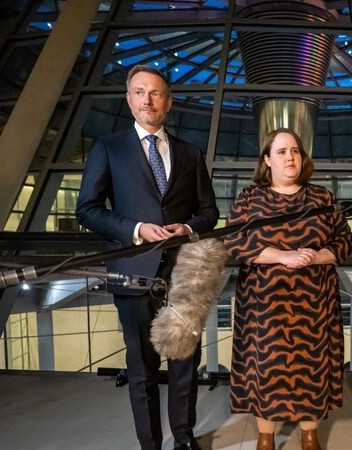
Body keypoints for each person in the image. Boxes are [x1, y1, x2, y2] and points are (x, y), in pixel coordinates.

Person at [76, 65, 218, 450]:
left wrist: (186, 228)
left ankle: (184, 439)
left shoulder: (190, 152)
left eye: (155, 93)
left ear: (168, 103)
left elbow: (209, 211)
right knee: (141, 369)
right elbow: (87, 209)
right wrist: (136, 228)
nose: (147, 100)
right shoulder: (109, 147)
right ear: (128, 99)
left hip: (182, 275)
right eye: (139, 92)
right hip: (133, 273)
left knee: (185, 364)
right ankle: (149, 443)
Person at [224, 129, 352, 450]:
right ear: (267, 160)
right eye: (281, 152)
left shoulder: (322, 197)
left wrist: (315, 255)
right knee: (266, 369)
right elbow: (235, 241)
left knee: (312, 369)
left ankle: (310, 433)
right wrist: (284, 256)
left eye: (294, 150)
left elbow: (344, 241)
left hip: (314, 306)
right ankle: (266, 436)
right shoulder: (249, 198)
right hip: (264, 307)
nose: (290, 157)